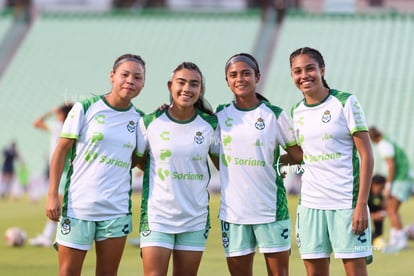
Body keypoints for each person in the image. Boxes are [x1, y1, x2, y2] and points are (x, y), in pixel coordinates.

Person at [46, 53, 146, 275]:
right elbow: (61, 151)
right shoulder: (86, 107)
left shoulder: (139, 119)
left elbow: (139, 162)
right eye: (125, 74)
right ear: (112, 76)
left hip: (116, 209)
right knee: (68, 272)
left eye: (137, 77)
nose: (131, 80)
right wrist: (53, 194)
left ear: (143, 83)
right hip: (78, 206)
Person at [289, 47, 374, 276]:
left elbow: (366, 155)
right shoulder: (296, 111)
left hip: (346, 203)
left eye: (310, 68)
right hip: (310, 205)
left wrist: (361, 205)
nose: (304, 75)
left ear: (322, 70)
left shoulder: (345, 102)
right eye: (297, 71)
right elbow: (301, 154)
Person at [216, 53, 303, 276]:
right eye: (233, 75)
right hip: (233, 214)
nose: (240, 79)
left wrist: (275, 163)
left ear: (258, 77)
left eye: (246, 73)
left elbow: (298, 155)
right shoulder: (218, 115)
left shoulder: (274, 115)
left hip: (271, 210)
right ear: (227, 80)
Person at [136, 62, 219, 276]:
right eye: (181, 83)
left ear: (200, 90)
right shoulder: (149, 122)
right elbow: (137, 159)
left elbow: (223, 165)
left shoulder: (210, 124)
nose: (187, 89)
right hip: (158, 216)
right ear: (170, 85)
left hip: (195, 217)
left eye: (194, 84)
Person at [29, 103, 73, 247]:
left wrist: (49, 111)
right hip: (65, 170)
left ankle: (51, 237)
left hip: (62, 171)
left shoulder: (57, 127)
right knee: (61, 205)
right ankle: (50, 236)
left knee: (58, 206)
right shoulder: (71, 127)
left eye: (58, 113)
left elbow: (36, 123)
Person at [368, 126, 413, 251]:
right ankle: (395, 239)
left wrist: (388, 185)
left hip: (400, 179)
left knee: (391, 210)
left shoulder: (383, 144)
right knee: (392, 209)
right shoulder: (389, 140)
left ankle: (401, 241)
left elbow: (391, 165)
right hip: (405, 178)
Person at [368, 174, 386, 248]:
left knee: (379, 214)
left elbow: (383, 207)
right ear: (374, 185)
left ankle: (375, 237)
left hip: (373, 212)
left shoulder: (379, 195)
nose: (382, 190)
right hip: (363, 214)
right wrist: (374, 216)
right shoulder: (366, 194)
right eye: (381, 188)